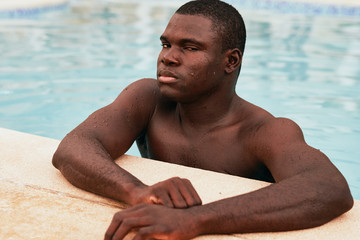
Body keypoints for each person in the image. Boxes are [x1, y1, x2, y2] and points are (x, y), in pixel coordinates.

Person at [52, 0, 353, 239]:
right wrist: (137, 191)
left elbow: (328, 187)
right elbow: (73, 147)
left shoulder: (263, 131)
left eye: (190, 47)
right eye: (166, 44)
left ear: (230, 61)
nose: (168, 57)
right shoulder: (149, 98)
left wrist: (192, 220)